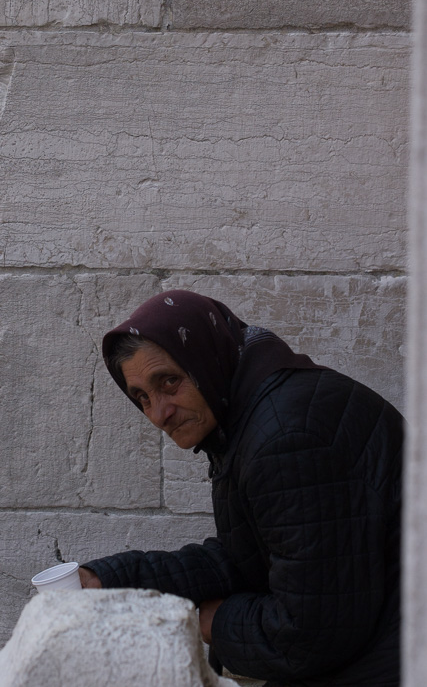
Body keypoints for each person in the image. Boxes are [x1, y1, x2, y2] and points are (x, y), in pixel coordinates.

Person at [79, 290, 402, 687]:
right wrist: (111, 579)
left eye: (170, 381)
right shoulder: (252, 413)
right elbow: (250, 555)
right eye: (143, 397)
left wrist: (213, 622)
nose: (159, 413)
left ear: (204, 358)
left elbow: (309, 636)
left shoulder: (285, 438)